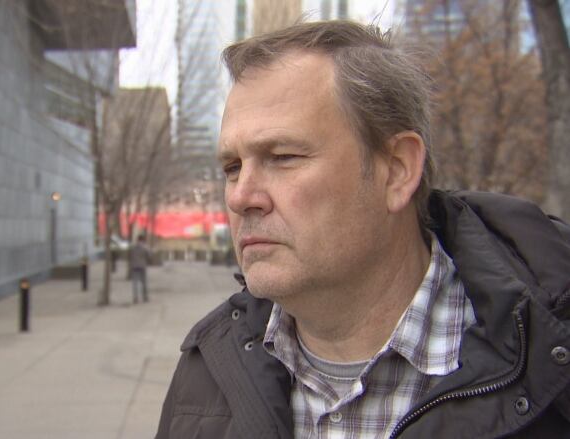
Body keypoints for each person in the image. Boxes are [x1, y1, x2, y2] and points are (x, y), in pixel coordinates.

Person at [156, 20, 570, 439]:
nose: (241, 196)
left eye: (282, 156)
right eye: (232, 167)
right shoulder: (208, 369)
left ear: (397, 171)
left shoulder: (548, 359)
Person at [130, 234, 150, 304]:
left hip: (134, 266)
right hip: (142, 266)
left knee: (135, 283)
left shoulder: (133, 247)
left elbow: (131, 255)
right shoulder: (145, 247)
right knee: (143, 282)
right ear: (143, 240)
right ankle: (145, 297)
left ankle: (135, 297)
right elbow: (149, 255)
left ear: (137, 240)